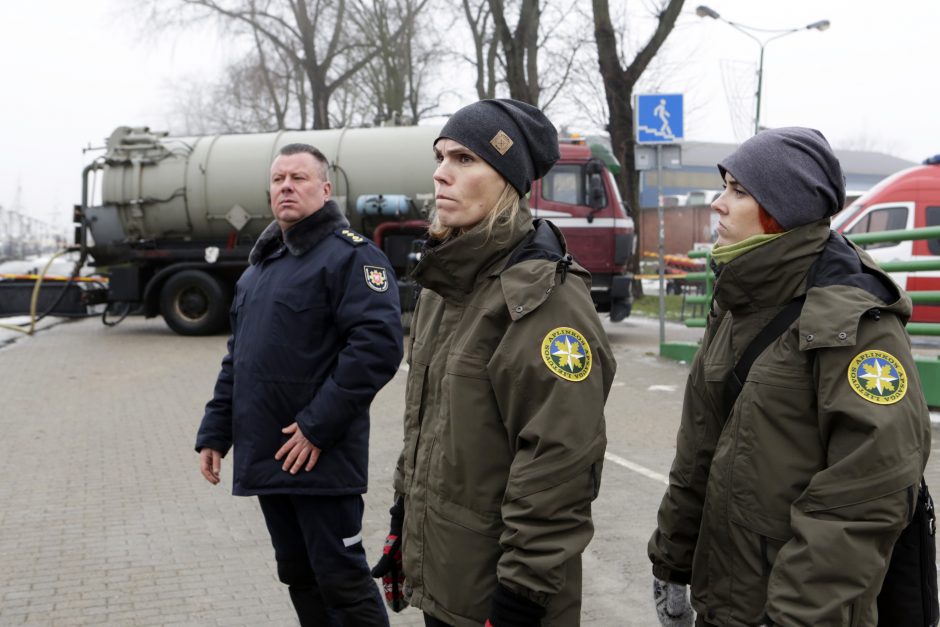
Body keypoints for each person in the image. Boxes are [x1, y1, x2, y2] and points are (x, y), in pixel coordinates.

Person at [647, 127, 931, 626]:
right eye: (724, 187)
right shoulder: (737, 301)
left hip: (792, 611)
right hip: (725, 598)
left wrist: (797, 615)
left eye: (738, 191)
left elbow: (865, 498)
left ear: (782, 210)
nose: (718, 204)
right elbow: (699, 451)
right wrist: (671, 559)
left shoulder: (855, 321)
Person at [372, 99, 616, 627]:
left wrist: (520, 601)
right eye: (440, 156)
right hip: (447, 579)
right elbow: (431, 428)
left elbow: (559, 467)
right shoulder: (445, 284)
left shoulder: (543, 297)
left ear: (506, 179)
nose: (441, 173)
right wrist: (402, 521)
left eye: (464, 159)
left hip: (502, 597)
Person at [195, 143, 404, 626]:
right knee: (298, 575)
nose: (286, 186)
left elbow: (376, 350)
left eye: (299, 178)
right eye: (278, 179)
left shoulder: (351, 258)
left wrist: (315, 427)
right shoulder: (259, 270)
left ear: (325, 189)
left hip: (321, 457)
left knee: (342, 581)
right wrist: (215, 432)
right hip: (270, 456)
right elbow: (240, 359)